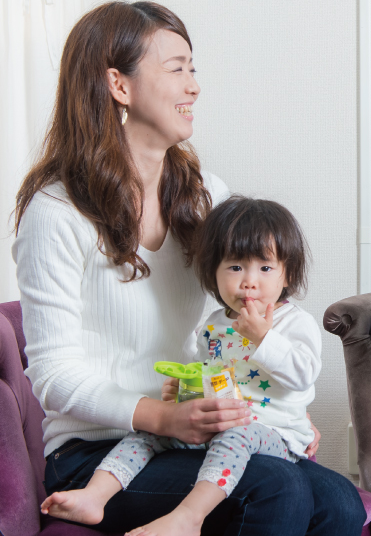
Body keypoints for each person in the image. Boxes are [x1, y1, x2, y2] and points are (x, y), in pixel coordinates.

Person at [13, 1, 365, 535]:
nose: (194, 86)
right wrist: (161, 416)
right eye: (176, 68)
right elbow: (54, 377)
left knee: (337, 501)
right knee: (278, 487)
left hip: (199, 428)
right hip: (102, 448)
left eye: (192, 68)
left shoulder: (206, 198)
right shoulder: (56, 213)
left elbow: (242, 311)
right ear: (119, 85)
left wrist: (273, 403)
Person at [39, 196, 323, 536]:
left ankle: (190, 515)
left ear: (287, 274)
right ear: (213, 272)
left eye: (265, 268)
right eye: (235, 268)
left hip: (272, 434)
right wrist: (184, 392)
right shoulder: (213, 324)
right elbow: (210, 373)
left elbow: (305, 374)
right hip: (215, 426)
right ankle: (95, 495)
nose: (249, 281)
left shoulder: (293, 323)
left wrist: (264, 338)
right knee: (150, 431)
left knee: (243, 438)